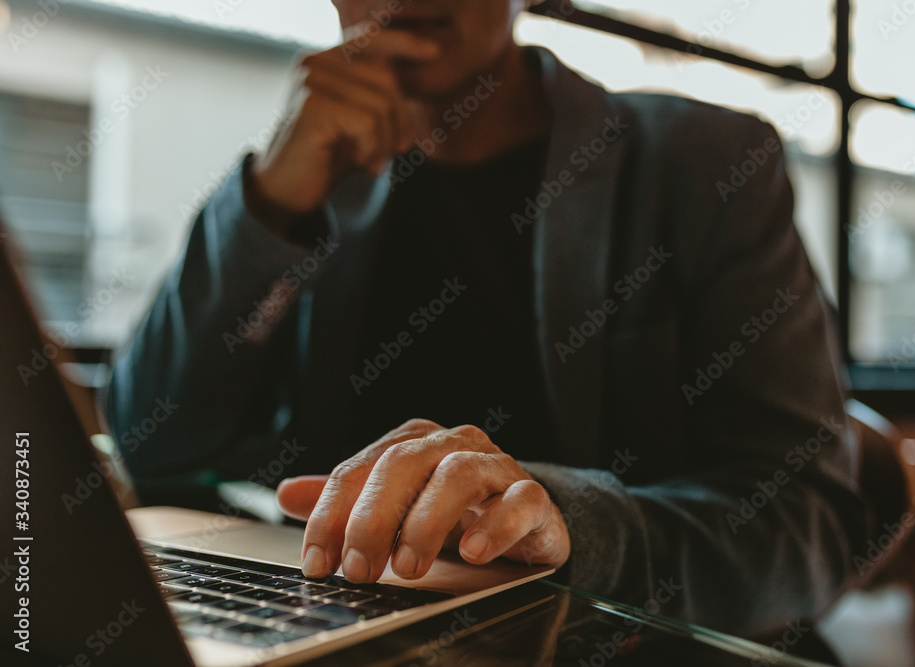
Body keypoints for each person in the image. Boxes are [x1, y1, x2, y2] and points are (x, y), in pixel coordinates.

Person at [106, 0, 866, 637]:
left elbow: (809, 528)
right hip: (352, 631)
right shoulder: (309, 183)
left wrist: (573, 527)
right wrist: (268, 206)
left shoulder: (705, 165)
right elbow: (149, 442)